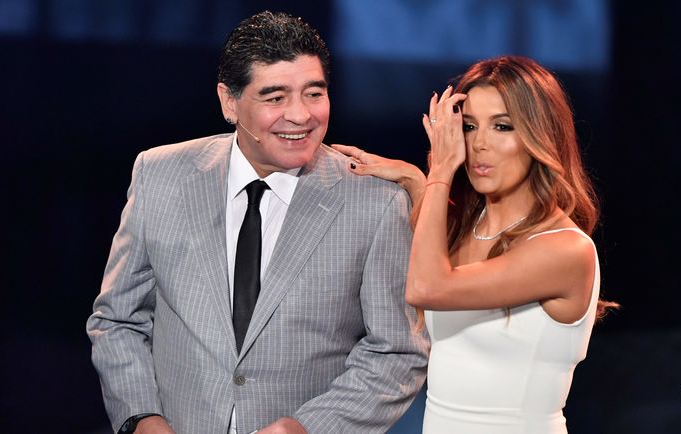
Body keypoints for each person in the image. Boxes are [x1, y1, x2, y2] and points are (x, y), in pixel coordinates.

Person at [86, 11, 428, 434]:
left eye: (314, 93)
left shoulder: (374, 201)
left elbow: (396, 352)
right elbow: (118, 320)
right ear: (229, 102)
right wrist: (141, 417)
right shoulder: (160, 174)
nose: (300, 115)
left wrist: (305, 428)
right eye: (275, 98)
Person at [333, 55, 617, 433]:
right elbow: (435, 266)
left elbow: (427, 288)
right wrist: (417, 182)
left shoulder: (566, 250)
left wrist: (439, 173)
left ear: (540, 135)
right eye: (468, 126)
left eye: (502, 126)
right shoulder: (466, 228)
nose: (479, 144)